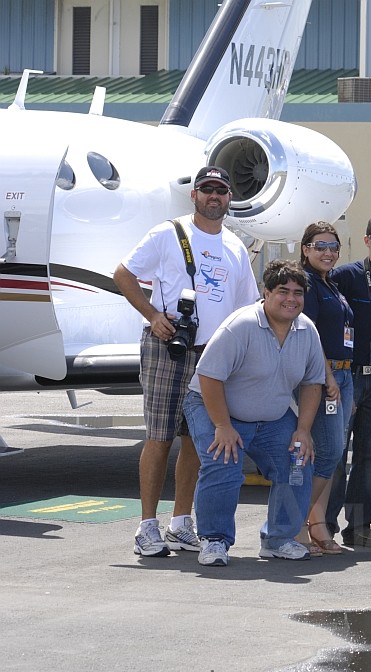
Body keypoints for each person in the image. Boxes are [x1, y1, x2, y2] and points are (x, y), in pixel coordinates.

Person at [113, 166, 259, 557]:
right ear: (194, 195)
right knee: (159, 437)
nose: (215, 196)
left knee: (197, 441)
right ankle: (147, 527)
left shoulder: (236, 247)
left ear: (230, 198)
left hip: (212, 356)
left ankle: (181, 522)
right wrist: (153, 316)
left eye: (221, 191)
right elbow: (123, 274)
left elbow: (246, 308)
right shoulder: (168, 233)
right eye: (207, 189)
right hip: (169, 348)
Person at [184, 259, 326, 566]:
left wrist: (303, 431)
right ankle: (214, 540)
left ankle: (278, 539)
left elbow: (313, 383)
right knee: (224, 463)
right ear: (266, 293)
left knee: (298, 461)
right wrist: (222, 425)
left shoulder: (307, 330)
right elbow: (209, 376)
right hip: (217, 409)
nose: (291, 298)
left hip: (273, 419)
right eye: (283, 291)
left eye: (298, 292)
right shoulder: (242, 325)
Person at [324, 213, 371, 547]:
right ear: (367, 240)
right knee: (337, 454)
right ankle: (323, 525)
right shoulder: (345, 276)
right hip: (347, 376)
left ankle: (358, 525)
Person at [296, 221, 354, 556]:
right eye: (320, 246)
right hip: (322, 376)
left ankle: (317, 526)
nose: (328, 252)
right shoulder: (306, 283)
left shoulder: (329, 283)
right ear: (305, 249)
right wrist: (327, 376)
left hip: (343, 375)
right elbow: (309, 331)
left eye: (333, 247)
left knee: (330, 456)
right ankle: (299, 521)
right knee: (327, 451)